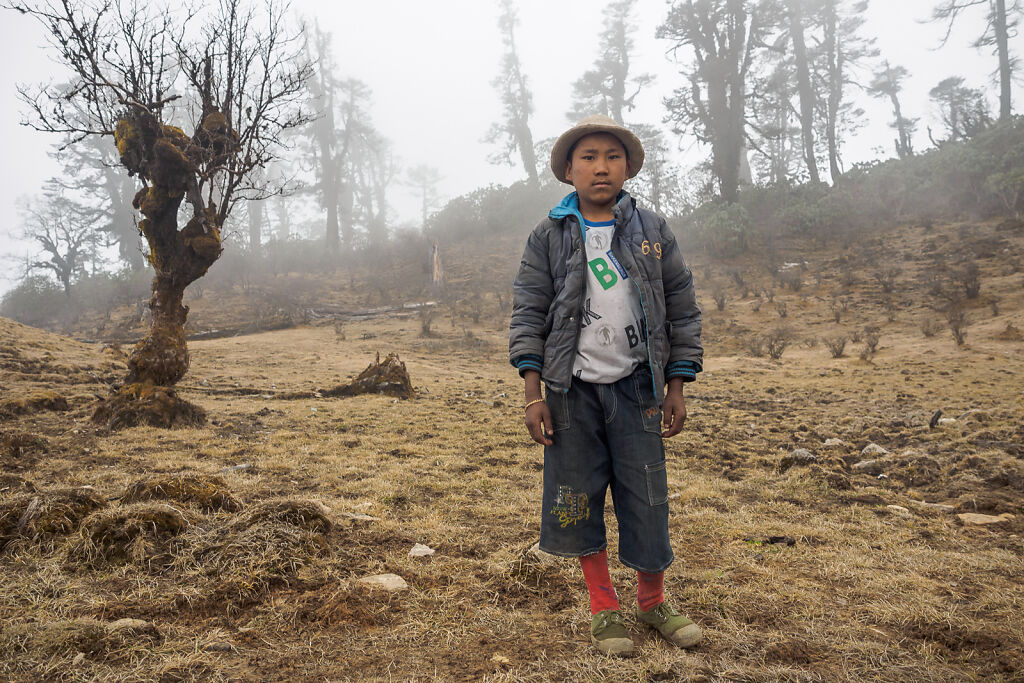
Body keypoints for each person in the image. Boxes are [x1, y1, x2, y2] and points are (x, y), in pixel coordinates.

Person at [509, 115, 703, 657]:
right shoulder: (549, 235)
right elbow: (529, 312)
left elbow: (682, 306)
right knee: (576, 496)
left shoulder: (651, 230)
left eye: (612, 156)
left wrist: (678, 384)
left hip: (640, 388)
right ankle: (603, 606)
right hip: (571, 394)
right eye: (588, 157)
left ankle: (653, 600)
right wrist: (533, 393)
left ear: (627, 166)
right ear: (569, 169)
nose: (601, 166)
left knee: (647, 497)